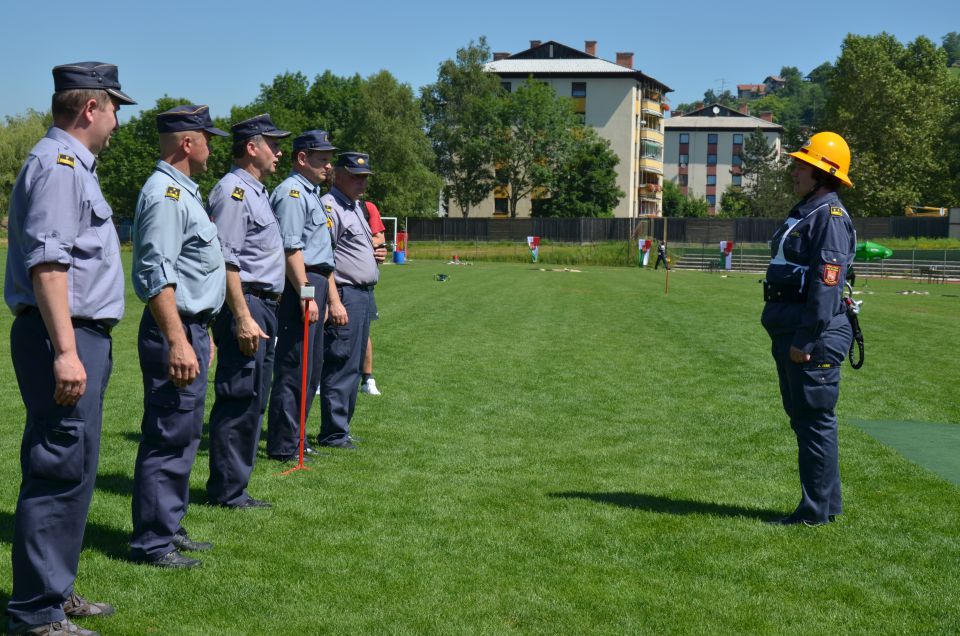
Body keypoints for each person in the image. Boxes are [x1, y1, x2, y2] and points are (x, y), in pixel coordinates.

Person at [4, 61, 134, 636]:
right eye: (114, 109)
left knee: (74, 466)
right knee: (58, 465)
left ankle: (54, 591)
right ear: (91, 108)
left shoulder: (74, 166)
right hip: (63, 333)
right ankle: (36, 612)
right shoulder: (58, 167)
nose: (116, 122)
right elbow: (49, 265)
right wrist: (65, 350)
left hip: (79, 333)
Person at [129, 105, 228, 569]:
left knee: (185, 434)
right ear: (187, 143)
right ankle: (152, 542)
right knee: (169, 435)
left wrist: (198, 336)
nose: (212, 144)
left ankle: (169, 525)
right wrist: (177, 340)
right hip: (176, 328)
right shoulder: (167, 195)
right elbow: (156, 274)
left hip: (192, 327)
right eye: (206, 136)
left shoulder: (185, 194)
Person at [761, 131, 856, 527]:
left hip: (811, 333)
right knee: (806, 419)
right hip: (793, 330)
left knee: (814, 420)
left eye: (802, 165)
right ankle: (825, 506)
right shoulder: (807, 210)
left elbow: (826, 285)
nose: (795, 171)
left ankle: (814, 512)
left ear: (821, 173)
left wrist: (806, 339)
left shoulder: (828, 218)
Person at [206, 114, 289, 508]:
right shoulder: (233, 192)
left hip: (264, 305)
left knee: (253, 397)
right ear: (252, 147)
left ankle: (236, 485)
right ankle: (226, 490)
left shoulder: (256, 191)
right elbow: (226, 260)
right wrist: (241, 316)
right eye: (273, 144)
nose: (280, 151)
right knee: (239, 396)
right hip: (248, 304)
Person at [265, 130, 346, 461]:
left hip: (315, 281)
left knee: (310, 368)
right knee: (295, 364)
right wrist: (307, 294)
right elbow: (291, 248)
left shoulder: (310, 193)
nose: (329, 166)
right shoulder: (293, 193)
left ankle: (297, 438)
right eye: (322, 159)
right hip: (302, 280)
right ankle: (285, 443)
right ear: (302, 158)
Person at [317, 153, 385, 449]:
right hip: (345, 294)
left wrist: (376, 256)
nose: (362, 183)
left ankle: (342, 429)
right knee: (340, 363)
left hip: (363, 294)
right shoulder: (330, 206)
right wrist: (334, 300)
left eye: (365, 177)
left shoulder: (356, 207)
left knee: (355, 365)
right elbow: (324, 258)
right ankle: (333, 432)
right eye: (356, 176)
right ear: (339, 176)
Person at [360, 199, 387, 396]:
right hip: (333, 279)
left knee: (364, 330)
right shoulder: (325, 202)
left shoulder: (367, 207)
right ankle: (318, 378)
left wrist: (357, 242)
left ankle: (367, 379)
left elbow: (380, 238)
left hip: (363, 283)